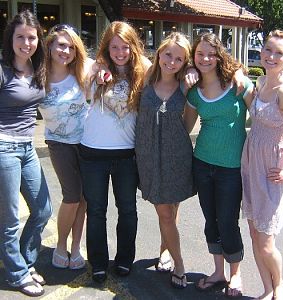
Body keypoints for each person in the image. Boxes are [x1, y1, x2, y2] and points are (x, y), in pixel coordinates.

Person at [79, 21, 151, 284]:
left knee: (127, 210)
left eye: (125, 47)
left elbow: (173, 64)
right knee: (96, 210)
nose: (120, 52)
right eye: (114, 47)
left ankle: (124, 259)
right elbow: (71, 62)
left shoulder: (143, 71)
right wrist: (99, 66)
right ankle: (98, 262)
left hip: (126, 156)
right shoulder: (94, 68)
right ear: (106, 48)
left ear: (133, 48)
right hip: (93, 154)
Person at [184, 32, 254, 297]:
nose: (205, 58)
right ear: (193, 57)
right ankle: (218, 272)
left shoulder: (237, 84)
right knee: (210, 220)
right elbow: (185, 127)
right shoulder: (194, 91)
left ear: (219, 55)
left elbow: (259, 116)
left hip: (231, 168)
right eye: (199, 54)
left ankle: (236, 274)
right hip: (202, 164)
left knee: (227, 221)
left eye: (210, 53)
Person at [241, 30, 283, 300]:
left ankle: (280, 286)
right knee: (254, 231)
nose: (272, 56)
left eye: (279, 53)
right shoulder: (261, 80)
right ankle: (266, 288)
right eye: (268, 50)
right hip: (251, 161)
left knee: (266, 240)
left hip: (272, 169)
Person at [135, 32, 195, 288]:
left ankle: (165, 251)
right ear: (159, 53)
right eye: (168, 54)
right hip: (148, 155)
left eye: (179, 58)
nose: (172, 61)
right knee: (165, 213)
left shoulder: (186, 85)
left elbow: (189, 122)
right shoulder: (146, 76)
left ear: (185, 62)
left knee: (171, 210)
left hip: (176, 156)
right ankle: (179, 264)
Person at [0, 10, 52, 297]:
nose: (26, 42)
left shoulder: (39, 67)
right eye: (20, 36)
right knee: (8, 220)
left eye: (31, 37)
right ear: (11, 38)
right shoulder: (3, 69)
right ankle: (16, 274)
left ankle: (23, 261)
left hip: (27, 147)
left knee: (43, 210)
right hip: (3, 148)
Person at [39, 24, 92, 270]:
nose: (66, 50)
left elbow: (125, 63)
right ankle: (61, 245)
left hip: (86, 142)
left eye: (71, 46)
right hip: (59, 144)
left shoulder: (83, 69)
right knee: (71, 196)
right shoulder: (37, 75)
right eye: (61, 44)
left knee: (83, 198)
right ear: (49, 45)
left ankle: (76, 247)